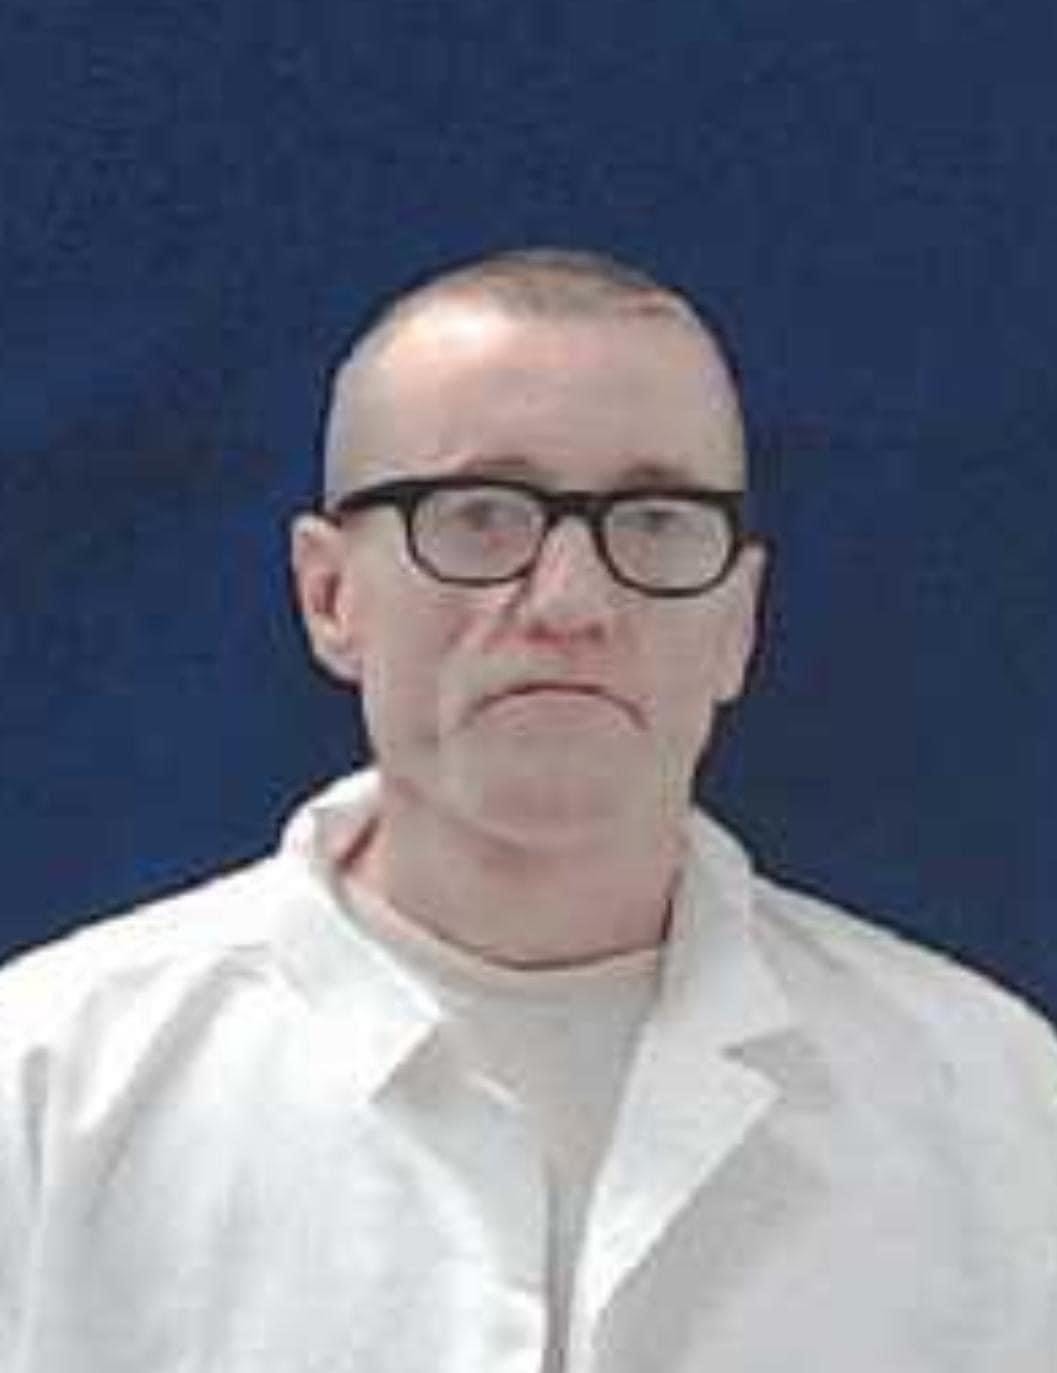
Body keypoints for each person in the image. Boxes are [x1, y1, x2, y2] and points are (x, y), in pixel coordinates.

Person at [1, 248, 1054, 1371]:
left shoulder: (996, 1109)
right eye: (479, 514)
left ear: (738, 621)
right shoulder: (47, 1091)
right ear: (329, 594)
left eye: (655, 520)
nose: (570, 600)